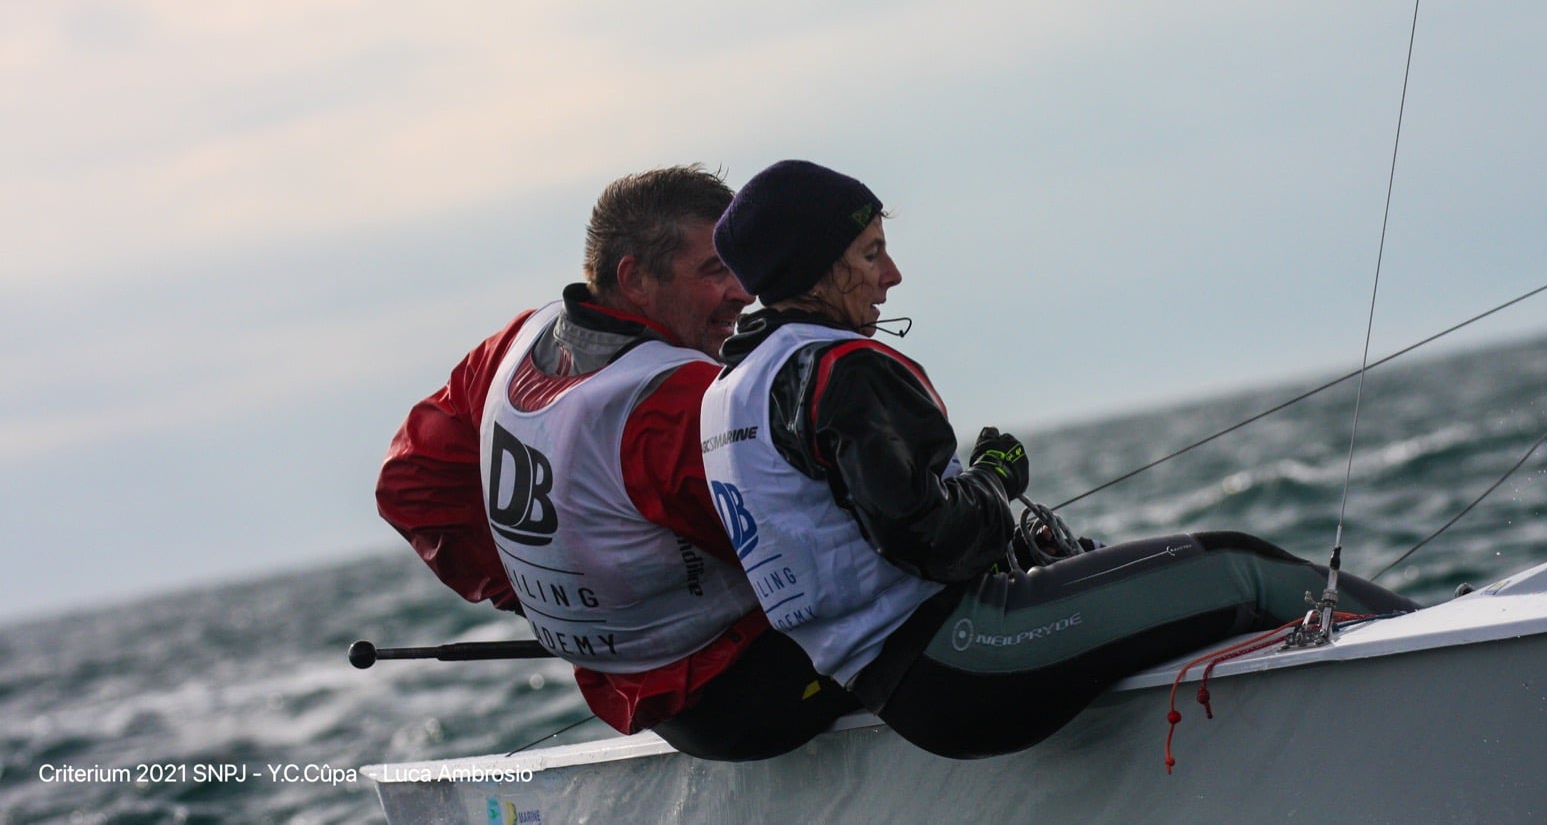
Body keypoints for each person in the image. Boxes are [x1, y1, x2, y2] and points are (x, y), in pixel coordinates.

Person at [700, 159, 1418, 759]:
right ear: (816, 270)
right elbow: (932, 539)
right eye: (870, 254)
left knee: (1143, 574)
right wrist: (997, 474)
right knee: (1240, 568)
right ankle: (1437, 642)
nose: (893, 274)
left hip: (896, 689)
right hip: (965, 659)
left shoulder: (729, 392)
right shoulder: (841, 369)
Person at [376, 165, 859, 760]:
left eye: (740, 266)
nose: (745, 292)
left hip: (650, 702)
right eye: (716, 271)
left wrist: (552, 600)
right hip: (756, 701)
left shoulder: (513, 347)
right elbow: (832, 556)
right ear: (634, 279)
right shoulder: (682, 402)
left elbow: (409, 485)